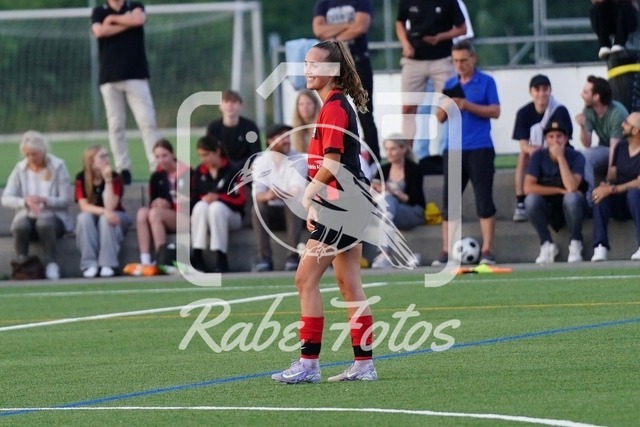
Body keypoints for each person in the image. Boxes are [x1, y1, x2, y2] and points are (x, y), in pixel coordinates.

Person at [272, 40, 377, 384]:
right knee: (349, 283)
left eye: (314, 64)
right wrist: (319, 202)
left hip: (344, 206)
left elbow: (332, 164)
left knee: (305, 279)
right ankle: (364, 365)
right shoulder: (332, 104)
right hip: (346, 203)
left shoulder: (334, 106)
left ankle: (308, 364)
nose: (308, 70)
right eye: (306, 64)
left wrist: (309, 195)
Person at [433, 40, 500, 266]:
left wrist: (467, 105)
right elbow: (439, 118)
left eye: (463, 60)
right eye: (455, 61)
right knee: (450, 203)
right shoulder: (450, 83)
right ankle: (446, 250)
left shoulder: (487, 81)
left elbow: (495, 111)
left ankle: (488, 249)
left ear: (473, 58)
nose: (459, 65)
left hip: (480, 147)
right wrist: (448, 106)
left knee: (484, 199)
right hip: (453, 150)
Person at [91, 0, 162, 184]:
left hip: (135, 75)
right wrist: (126, 22)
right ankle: (123, 168)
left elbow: (138, 20)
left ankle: (157, 166)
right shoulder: (99, 11)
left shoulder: (135, 6)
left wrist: (113, 19)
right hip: (109, 77)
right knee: (116, 125)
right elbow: (99, 31)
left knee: (147, 121)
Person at [313, 0, 381, 164]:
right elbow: (318, 30)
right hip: (334, 64)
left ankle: (374, 161)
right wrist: (348, 24)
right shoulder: (324, 3)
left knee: (364, 111)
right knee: (332, 107)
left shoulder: (361, 2)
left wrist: (333, 40)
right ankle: (330, 154)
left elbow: (360, 27)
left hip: (358, 61)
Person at [1, 131, 73, 280]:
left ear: (43, 151)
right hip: (27, 216)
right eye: (27, 155)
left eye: (34, 154)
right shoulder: (20, 169)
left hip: (54, 218)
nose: (31, 158)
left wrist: (45, 200)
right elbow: (6, 198)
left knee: (44, 223)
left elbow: (66, 199)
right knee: (20, 226)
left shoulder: (58, 167)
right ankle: (22, 263)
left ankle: (52, 263)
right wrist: (25, 201)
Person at [395, 0, 466, 148]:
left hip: (442, 59)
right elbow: (399, 23)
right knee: (408, 108)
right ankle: (407, 153)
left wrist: (440, 37)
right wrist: (406, 44)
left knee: (449, 106)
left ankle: (448, 150)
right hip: (414, 59)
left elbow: (462, 29)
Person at [524, 121, 589, 264]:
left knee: (571, 198)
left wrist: (560, 158)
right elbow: (528, 187)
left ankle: (576, 242)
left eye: (559, 136)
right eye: (551, 137)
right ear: (546, 140)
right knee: (530, 201)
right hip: (547, 204)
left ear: (565, 139)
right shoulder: (538, 156)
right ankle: (546, 244)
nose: (555, 140)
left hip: (572, 206)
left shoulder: (577, 157)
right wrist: (559, 190)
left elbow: (571, 187)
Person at [512, 74, 574, 222]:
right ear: (531, 92)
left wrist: (548, 150)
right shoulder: (524, 112)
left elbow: (564, 140)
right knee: (523, 156)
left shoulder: (560, 110)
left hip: (558, 151)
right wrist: (537, 151)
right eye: (537, 89)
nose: (541, 93)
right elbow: (523, 144)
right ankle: (520, 201)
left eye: (545, 89)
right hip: (538, 152)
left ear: (550, 91)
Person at [251, 124, 307, 272]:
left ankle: (292, 257)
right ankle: (264, 258)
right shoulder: (260, 161)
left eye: (287, 136)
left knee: (294, 204)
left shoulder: (298, 159)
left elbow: (297, 191)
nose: (286, 140)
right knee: (258, 209)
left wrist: (276, 193)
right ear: (270, 141)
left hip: (293, 213)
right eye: (281, 137)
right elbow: (258, 194)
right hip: (271, 212)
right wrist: (268, 195)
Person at [190, 135, 246, 273]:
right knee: (200, 206)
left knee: (216, 208)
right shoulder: (200, 171)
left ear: (217, 152)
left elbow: (241, 200)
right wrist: (205, 199)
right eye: (200, 156)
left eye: (206, 155)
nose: (203, 159)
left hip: (232, 215)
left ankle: (221, 257)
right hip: (205, 215)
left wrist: (219, 198)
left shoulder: (233, 170)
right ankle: (197, 253)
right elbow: (194, 197)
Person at [75, 144, 131, 278]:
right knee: (83, 218)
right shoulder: (81, 177)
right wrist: (103, 211)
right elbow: (84, 206)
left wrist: (108, 180)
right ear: (91, 161)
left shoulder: (115, 177)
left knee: (106, 220)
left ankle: (107, 263)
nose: (106, 159)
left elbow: (111, 207)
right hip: (96, 215)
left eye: (107, 155)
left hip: (117, 216)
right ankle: (89, 263)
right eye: (102, 156)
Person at [370, 135, 426, 269]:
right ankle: (390, 255)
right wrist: (373, 191)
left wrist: (393, 191)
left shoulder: (414, 169)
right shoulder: (383, 169)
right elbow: (373, 199)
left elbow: (414, 199)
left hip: (413, 211)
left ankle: (385, 255)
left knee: (388, 200)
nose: (389, 153)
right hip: (387, 212)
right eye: (386, 149)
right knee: (386, 205)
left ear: (403, 149)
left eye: (393, 149)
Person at [591, 111, 640, 261]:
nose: (622, 125)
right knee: (600, 196)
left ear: (635, 130)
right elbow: (612, 174)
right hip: (620, 201)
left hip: (636, 200)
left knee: (634, 194)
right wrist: (605, 185)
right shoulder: (621, 146)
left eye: (626, 123)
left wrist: (612, 189)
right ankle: (600, 246)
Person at [135, 139, 192, 265]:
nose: (161, 160)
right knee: (142, 213)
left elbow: (194, 200)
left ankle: (161, 257)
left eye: (164, 155)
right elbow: (152, 201)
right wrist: (157, 203)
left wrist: (169, 204)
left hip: (186, 217)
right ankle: (145, 259)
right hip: (165, 215)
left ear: (172, 154)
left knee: (155, 214)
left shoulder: (187, 173)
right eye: (157, 157)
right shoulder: (157, 176)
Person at [575, 75, 628, 203]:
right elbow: (587, 144)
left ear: (596, 97)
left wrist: (609, 179)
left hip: (624, 151)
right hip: (605, 148)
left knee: (587, 156)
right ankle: (587, 196)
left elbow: (615, 148)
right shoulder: (588, 111)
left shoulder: (617, 112)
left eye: (585, 92)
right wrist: (582, 127)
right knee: (581, 154)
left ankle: (590, 200)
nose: (581, 95)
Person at [206, 90, 261, 167]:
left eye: (234, 102)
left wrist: (238, 167)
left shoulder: (250, 127)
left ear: (241, 106)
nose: (230, 105)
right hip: (221, 169)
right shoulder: (213, 128)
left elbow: (255, 153)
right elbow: (209, 152)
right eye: (226, 102)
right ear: (220, 106)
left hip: (245, 170)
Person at [290, 89, 322, 154]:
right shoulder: (291, 128)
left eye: (308, 103)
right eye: (301, 104)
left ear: (315, 105)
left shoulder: (321, 127)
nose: (305, 107)